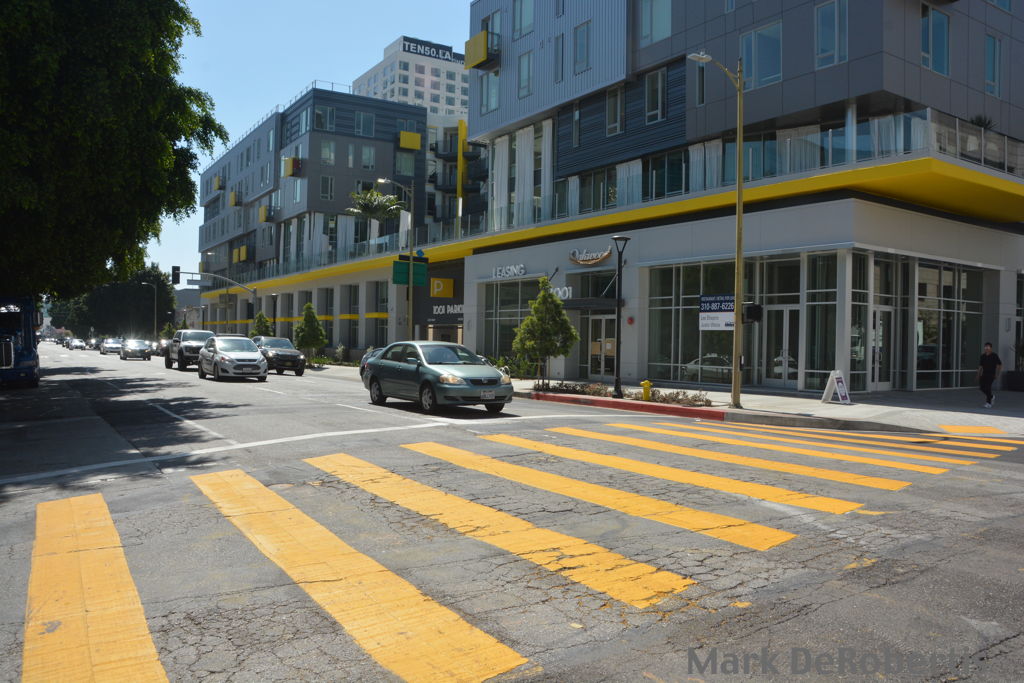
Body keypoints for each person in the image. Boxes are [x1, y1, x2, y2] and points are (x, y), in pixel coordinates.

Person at [977, 342, 1002, 408]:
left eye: (988, 347)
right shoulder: (983, 356)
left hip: (991, 374)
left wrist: (997, 374)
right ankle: (991, 396)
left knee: (988, 387)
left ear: (991, 348)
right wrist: (978, 374)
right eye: (985, 347)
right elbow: (980, 366)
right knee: (982, 388)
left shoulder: (994, 355)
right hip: (984, 374)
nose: (986, 348)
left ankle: (988, 403)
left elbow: (999, 365)